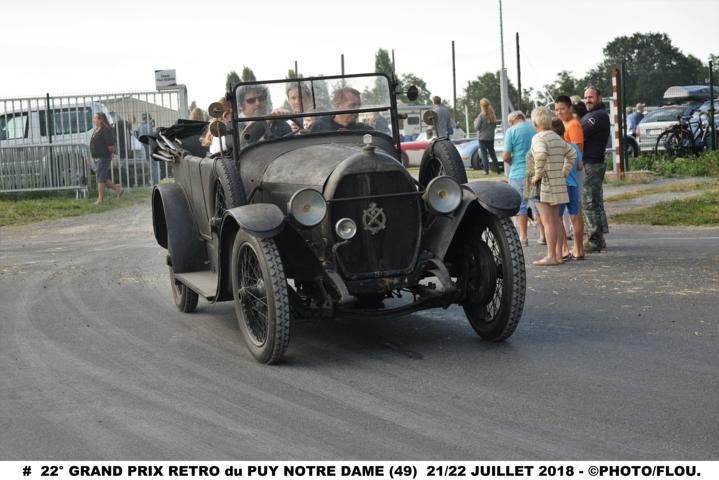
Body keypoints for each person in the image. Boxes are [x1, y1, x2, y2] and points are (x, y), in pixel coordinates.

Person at [528, 107, 576, 266]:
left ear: (535, 122)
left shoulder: (538, 138)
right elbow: (572, 154)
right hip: (558, 183)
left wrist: (538, 174)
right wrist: (564, 171)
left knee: (547, 221)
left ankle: (551, 256)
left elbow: (541, 154)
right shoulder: (557, 137)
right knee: (555, 220)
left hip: (544, 184)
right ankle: (557, 255)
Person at [580, 86, 611, 253]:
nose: (587, 100)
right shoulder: (591, 115)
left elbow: (580, 132)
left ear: (599, 98)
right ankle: (599, 239)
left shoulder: (597, 116)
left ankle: (594, 241)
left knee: (590, 203)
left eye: (591, 97)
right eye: (586, 97)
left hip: (592, 164)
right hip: (592, 163)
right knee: (595, 203)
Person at [550, 117, 584, 261]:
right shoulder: (574, 147)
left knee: (557, 219)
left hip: (559, 186)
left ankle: (563, 249)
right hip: (574, 185)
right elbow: (580, 166)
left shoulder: (552, 148)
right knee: (575, 216)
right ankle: (579, 249)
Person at [502, 110, 535, 245]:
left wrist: (511, 161)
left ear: (511, 121)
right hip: (535, 171)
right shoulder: (534, 127)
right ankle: (544, 236)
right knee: (538, 204)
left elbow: (505, 156)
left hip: (518, 172)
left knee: (521, 205)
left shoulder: (511, 131)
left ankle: (523, 237)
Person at [89, 112, 123, 205]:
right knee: (102, 178)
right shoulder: (96, 130)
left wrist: (111, 153)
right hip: (97, 158)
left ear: (101, 120)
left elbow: (110, 145)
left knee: (100, 178)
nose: (93, 120)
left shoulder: (106, 130)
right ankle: (118, 189)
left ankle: (100, 199)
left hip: (103, 157)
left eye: (95, 118)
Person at [474, 98, 499, 174]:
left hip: (482, 138)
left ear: (481, 106)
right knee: (492, 153)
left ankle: (486, 170)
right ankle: (497, 169)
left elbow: (477, 127)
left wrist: (475, 122)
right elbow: (494, 126)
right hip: (491, 137)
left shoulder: (481, 116)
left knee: (484, 154)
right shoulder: (493, 115)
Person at [137, 113, 159, 183]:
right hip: (150, 148)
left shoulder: (140, 126)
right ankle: (155, 181)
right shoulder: (148, 126)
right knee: (154, 165)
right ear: (148, 118)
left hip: (143, 150)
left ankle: (148, 181)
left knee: (147, 165)